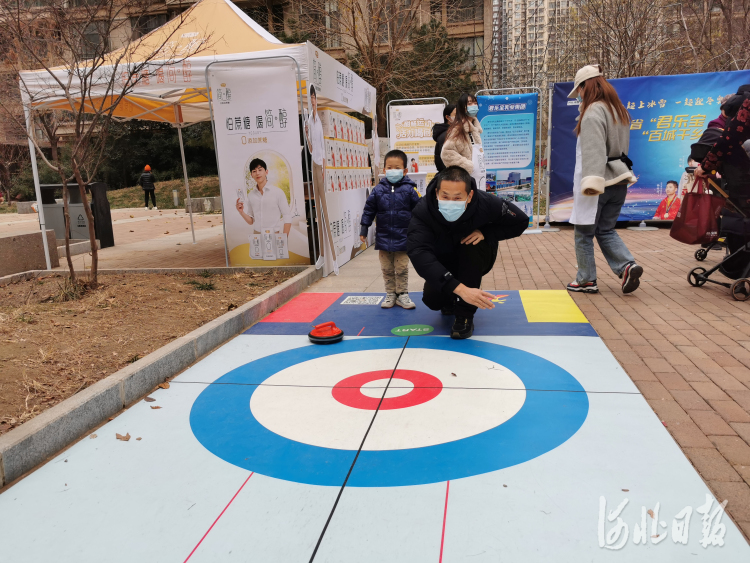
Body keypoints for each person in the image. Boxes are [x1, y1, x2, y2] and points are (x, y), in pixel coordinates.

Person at [408, 166, 528, 339]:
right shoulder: (423, 210)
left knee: (471, 245)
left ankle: (464, 315)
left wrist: (486, 233)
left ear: (470, 195)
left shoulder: (486, 203)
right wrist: (458, 288)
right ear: (436, 192)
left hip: (474, 257)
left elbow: (520, 221)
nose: (450, 202)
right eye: (445, 196)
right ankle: (452, 297)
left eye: (457, 198)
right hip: (443, 259)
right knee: (432, 301)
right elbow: (418, 252)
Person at [566, 64, 642, 295]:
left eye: (578, 89)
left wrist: (591, 182)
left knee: (583, 233)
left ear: (585, 86)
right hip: (619, 177)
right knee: (606, 229)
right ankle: (627, 265)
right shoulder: (618, 110)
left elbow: (593, 150)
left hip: (597, 180)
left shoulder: (593, 112)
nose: (578, 94)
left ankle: (586, 279)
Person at [360, 149, 420, 310]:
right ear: (384, 169)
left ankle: (402, 294)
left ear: (405, 170)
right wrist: (364, 228)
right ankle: (390, 294)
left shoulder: (410, 190)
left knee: (401, 268)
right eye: (389, 167)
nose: (393, 171)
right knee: (386, 268)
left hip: (403, 238)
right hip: (384, 237)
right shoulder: (378, 190)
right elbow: (369, 210)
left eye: (397, 167)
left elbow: (420, 211)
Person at [304, 85, 338, 274]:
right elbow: (310, 148)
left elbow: (322, 149)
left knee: (323, 211)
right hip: (314, 166)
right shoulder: (309, 120)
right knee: (318, 212)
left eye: (314, 97)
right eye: (311, 98)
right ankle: (324, 255)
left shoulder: (318, 121)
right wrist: (307, 132)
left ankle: (332, 256)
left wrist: (323, 168)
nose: (313, 101)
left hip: (321, 168)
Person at [235, 158, 291, 237]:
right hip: (257, 235)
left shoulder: (278, 192)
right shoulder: (251, 195)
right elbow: (251, 221)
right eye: (254, 171)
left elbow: (287, 216)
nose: (257, 173)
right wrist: (241, 212)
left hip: (274, 235)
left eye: (260, 170)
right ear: (251, 175)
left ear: (266, 172)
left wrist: (284, 238)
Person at [441, 93, 483, 188]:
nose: (474, 106)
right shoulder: (459, 129)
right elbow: (447, 153)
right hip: (466, 180)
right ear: (462, 107)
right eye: (469, 103)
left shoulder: (475, 128)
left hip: (479, 178)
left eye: (475, 103)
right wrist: (468, 166)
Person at [433, 104, 456, 172]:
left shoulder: (452, 133)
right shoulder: (447, 135)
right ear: (448, 117)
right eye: (456, 115)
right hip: (451, 176)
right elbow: (446, 161)